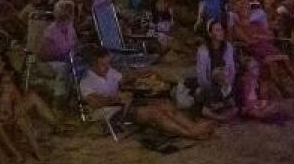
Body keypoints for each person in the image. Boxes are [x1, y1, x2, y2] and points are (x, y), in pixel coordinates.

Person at [79, 47, 215, 140]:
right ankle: (190, 133)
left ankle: (193, 126)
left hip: (125, 102)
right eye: (103, 65)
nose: (107, 67)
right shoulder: (87, 82)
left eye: (108, 64)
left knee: (164, 104)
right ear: (93, 64)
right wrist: (114, 99)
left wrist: (143, 73)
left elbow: (124, 79)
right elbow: (95, 103)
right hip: (111, 112)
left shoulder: (108, 72)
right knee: (154, 113)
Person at [194, 20, 237, 120]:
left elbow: (231, 69)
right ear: (210, 34)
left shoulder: (227, 47)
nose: (221, 32)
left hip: (224, 83)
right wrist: (212, 84)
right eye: (217, 30)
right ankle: (218, 115)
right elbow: (201, 78)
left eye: (221, 29)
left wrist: (227, 84)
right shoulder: (203, 51)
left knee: (234, 104)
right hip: (210, 85)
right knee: (205, 94)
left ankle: (220, 105)